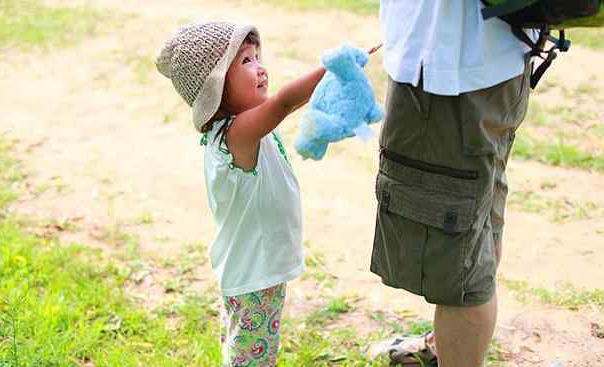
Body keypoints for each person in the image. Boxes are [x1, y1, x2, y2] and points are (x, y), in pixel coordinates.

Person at [155, 21, 333, 366]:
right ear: (217, 86)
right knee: (252, 358)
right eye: (246, 62)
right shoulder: (237, 134)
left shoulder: (242, 127)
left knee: (246, 349)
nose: (261, 67)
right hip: (254, 273)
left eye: (257, 56)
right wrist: (333, 68)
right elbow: (284, 103)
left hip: (251, 268)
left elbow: (284, 105)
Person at [371, 1, 532, 366]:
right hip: (491, 55)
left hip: (447, 65)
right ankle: (447, 345)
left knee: (459, 258)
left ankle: (456, 352)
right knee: (475, 223)